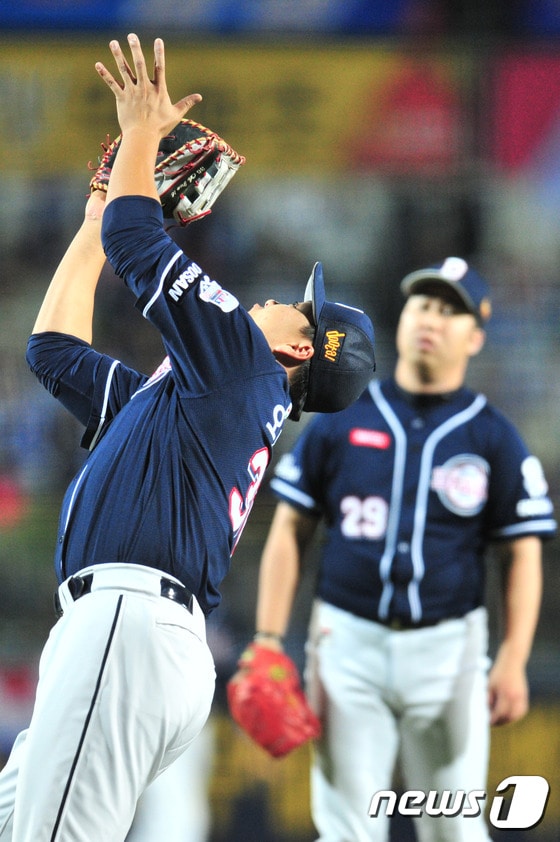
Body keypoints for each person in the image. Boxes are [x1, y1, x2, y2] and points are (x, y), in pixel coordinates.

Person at [0, 34, 375, 842]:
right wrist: (96, 220)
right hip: (132, 636)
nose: (276, 299)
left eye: (297, 309)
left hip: (126, 628)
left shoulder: (244, 366)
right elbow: (53, 352)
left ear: (299, 352)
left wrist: (140, 133)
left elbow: (141, 244)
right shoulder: (200, 404)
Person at [250, 257, 556, 842]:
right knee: (346, 830)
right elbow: (289, 528)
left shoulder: (492, 435)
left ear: (475, 336)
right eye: (422, 304)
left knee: (455, 830)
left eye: (449, 310)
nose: (430, 319)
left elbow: (521, 552)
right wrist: (267, 638)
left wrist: (514, 657)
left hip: (449, 651)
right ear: (403, 316)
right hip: (346, 643)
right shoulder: (341, 417)